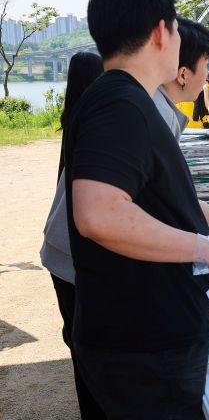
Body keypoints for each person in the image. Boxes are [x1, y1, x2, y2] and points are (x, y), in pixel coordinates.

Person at [63, 0, 209, 418]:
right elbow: (99, 215)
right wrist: (208, 249)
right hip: (143, 343)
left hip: (148, 335)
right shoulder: (120, 104)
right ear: (159, 32)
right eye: (175, 27)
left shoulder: (128, 98)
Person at [41, 52, 105, 420]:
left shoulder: (74, 116)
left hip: (59, 246)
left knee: (79, 340)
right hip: (69, 253)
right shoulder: (96, 122)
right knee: (86, 343)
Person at [156, 17, 209, 138]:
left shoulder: (151, 105)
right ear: (183, 75)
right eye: (206, 65)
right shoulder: (161, 121)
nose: (207, 73)